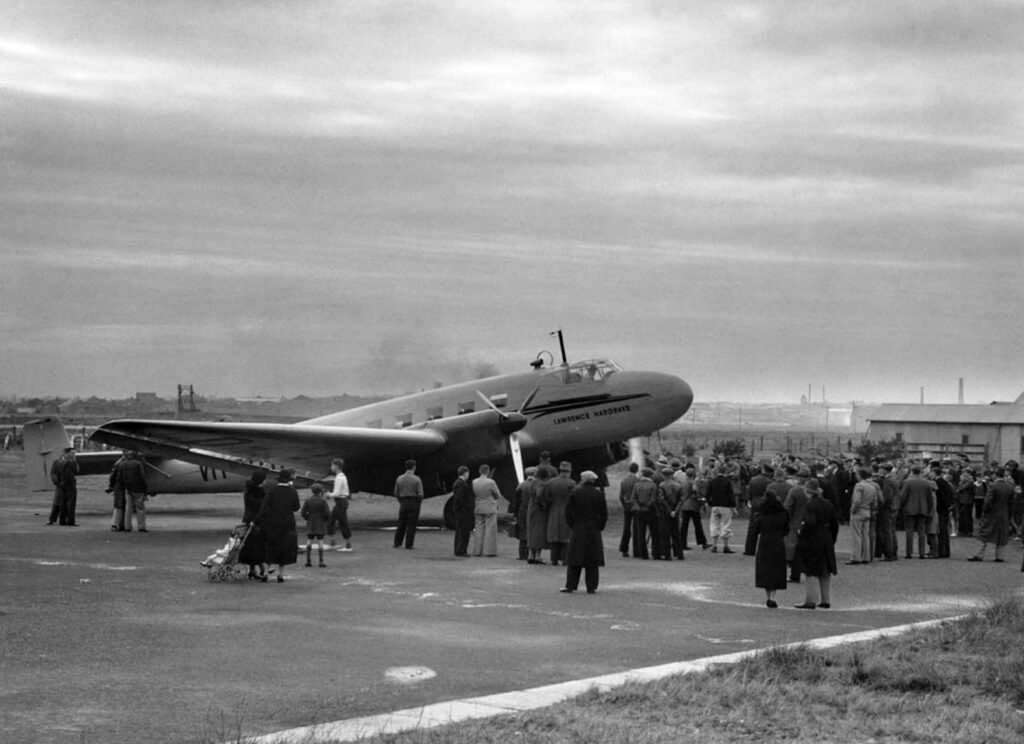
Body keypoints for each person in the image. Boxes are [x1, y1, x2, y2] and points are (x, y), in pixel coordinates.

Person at [560, 471, 608, 594]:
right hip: (593, 529)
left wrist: (573, 525)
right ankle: (591, 587)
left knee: (574, 559)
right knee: (592, 561)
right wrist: (599, 527)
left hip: (578, 528)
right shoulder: (599, 494)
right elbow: (604, 514)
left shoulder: (575, 493)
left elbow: (567, 512)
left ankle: (570, 585)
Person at [794, 479, 839, 609]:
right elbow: (834, 524)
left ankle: (811, 600)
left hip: (813, 540)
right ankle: (825, 599)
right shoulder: (828, 504)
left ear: (807, 492)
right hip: (826, 538)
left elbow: (809, 523)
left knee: (811, 571)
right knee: (825, 571)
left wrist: (801, 533)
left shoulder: (810, 505)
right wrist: (831, 539)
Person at [257, 468, 300, 582]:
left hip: (273, 522)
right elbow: (296, 507)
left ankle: (266, 572)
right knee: (285, 548)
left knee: (271, 546)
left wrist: (257, 520)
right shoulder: (292, 491)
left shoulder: (272, 490)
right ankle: (280, 574)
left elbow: (264, 507)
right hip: (288, 522)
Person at [749, 489, 789, 608]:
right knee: (776, 570)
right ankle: (772, 597)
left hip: (764, 543)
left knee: (765, 570)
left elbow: (755, 530)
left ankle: (768, 596)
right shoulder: (783, 514)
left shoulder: (761, 515)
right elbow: (786, 530)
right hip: (778, 542)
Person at [968, 467, 1014, 562]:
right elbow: (1011, 504)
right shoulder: (1010, 486)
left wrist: (984, 512)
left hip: (992, 514)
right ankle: (999, 556)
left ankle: (978, 554)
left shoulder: (993, 486)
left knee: (984, 533)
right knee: (1002, 535)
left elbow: (988, 502)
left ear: (995, 475)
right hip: (1004, 514)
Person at [899, 464, 934, 559]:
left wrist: (900, 506)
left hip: (909, 508)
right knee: (921, 531)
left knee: (909, 530)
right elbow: (930, 498)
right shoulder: (927, 483)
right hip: (923, 508)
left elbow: (903, 496)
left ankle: (909, 552)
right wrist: (929, 509)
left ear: (912, 471)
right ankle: (921, 552)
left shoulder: (907, 482)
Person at [239, 469, 269, 580]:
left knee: (254, 545)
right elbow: (258, 504)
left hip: (251, 518)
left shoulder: (251, 489)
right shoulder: (255, 491)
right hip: (255, 520)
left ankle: (257, 568)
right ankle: (258, 568)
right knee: (256, 545)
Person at [545, 462, 575, 565]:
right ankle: (565, 559)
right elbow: (574, 499)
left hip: (553, 511)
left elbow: (546, 497)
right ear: (568, 472)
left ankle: (554, 559)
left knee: (554, 537)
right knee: (565, 537)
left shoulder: (551, 482)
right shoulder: (571, 483)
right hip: (567, 512)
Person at [471, 464, 503, 556]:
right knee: (490, 529)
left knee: (478, 529)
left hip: (478, 506)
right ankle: (490, 551)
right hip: (489, 507)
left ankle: (477, 551)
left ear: (479, 471)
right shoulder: (491, 482)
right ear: (488, 471)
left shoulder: (474, 482)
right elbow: (498, 495)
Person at [847, 468, 877, 565]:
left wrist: (853, 509)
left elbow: (857, 500)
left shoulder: (859, 485)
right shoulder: (872, 486)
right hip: (867, 510)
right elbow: (875, 502)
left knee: (856, 535)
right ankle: (866, 556)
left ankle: (856, 557)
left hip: (859, 511)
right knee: (866, 535)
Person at [393, 459, 424, 549]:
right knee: (411, 524)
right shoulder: (417, 479)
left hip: (403, 502)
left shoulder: (399, 478)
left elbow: (396, 492)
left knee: (401, 523)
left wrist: (401, 501)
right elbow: (421, 493)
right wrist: (418, 503)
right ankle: (409, 544)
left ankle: (397, 542)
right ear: (414, 467)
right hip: (414, 502)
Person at [706, 466, 736, 553]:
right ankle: (726, 546)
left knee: (714, 525)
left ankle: (714, 545)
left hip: (715, 505)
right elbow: (731, 495)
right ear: (725, 472)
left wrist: (710, 503)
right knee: (726, 525)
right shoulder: (727, 482)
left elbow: (708, 495)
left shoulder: (712, 481)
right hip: (725, 506)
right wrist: (733, 506)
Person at [508, 466, 535, 560]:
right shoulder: (537, 485)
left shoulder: (521, 485)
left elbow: (516, 501)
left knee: (522, 532)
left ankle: (522, 554)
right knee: (532, 532)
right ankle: (533, 554)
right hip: (533, 511)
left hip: (522, 511)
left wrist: (515, 514)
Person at [629, 468, 658, 559]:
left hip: (639, 511)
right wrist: (648, 505)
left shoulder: (637, 485)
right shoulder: (653, 485)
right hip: (650, 511)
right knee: (654, 533)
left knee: (640, 533)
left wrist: (639, 506)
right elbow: (653, 498)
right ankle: (655, 553)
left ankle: (643, 553)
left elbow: (633, 498)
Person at [301, 483, 331, 568]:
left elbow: (303, 512)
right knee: (320, 542)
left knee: (309, 541)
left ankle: (308, 560)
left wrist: (308, 518)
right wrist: (325, 519)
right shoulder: (323, 500)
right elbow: (327, 513)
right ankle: (321, 560)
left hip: (311, 522)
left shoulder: (308, 500)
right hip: (320, 522)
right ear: (320, 491)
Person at [118, 451, 149, 532]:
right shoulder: (138, 464)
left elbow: (120, 478)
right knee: (140, 508)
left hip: (127, 488)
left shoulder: (122, 464)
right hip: (138, 488)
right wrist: (145, 489)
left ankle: (127, 527)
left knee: (128, 508)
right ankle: (141, 527)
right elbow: (142, 477)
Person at [679, 465, 708, 550]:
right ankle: (703, 542)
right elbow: (695, 491)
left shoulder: (683, 482)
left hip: (684, 505)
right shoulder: (692, 482)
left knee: (684, 526)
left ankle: (682, 543)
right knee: (697, 525)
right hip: (692, 505)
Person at [47, 446, 79, 526]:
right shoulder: (58, 462)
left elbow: (77, 470)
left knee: (62, 503)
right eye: (72, 453)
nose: (73, 454)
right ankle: (53, 519)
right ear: (66, 453)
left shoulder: (63, 461)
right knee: (58, 503)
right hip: (62, 485)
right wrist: (57, 482)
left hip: (62, 485)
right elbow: (53, 473)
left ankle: (62, 520)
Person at [527, 466, 552, 564]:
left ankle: (530, 554)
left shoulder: (532, 482)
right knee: (539, 531)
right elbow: (539, 494)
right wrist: (543, 504)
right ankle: (537, 555)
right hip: (539, 510)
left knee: (531, 530)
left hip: (531, 508)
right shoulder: (541, 484)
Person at [327, 458, 353, 552]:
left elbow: (337, 493)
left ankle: (348, 544)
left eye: (332, 465)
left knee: (343, 523)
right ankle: (333, 542)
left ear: (336, 466)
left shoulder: (339, 478)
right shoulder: (342, 476)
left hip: (340, 501)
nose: (331, 467)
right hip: (341, 502)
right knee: (331, 520)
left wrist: (329, 494)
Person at [451, 466, 475, 556]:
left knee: (460, 531)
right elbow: (460, 498)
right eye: (468, 473)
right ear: (465, 473)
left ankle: (460, 549)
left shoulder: (459, 483)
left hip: (461, 511)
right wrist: (466, 507)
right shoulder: (461, 484)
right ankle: (461, 550)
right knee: (463, 532)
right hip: (463, 512)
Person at [618, 462, 639, 557]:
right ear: (637, 470)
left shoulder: (624, 481)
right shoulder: (638, 481)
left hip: (627, 505)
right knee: (636, 528)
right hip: (636, 506)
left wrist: (624, 505)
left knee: (626, 528)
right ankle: (636, 549)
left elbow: (621, 496)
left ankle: (624, 549)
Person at [106, 451, 129, 531]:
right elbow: (113, 476)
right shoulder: (121, 463)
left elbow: (112, 476)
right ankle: (115, 524)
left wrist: (111, 485)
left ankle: (119, 524)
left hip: (119, 485)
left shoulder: (119, 463)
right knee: (119, 505)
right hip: (120, 486)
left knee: (120, 505)